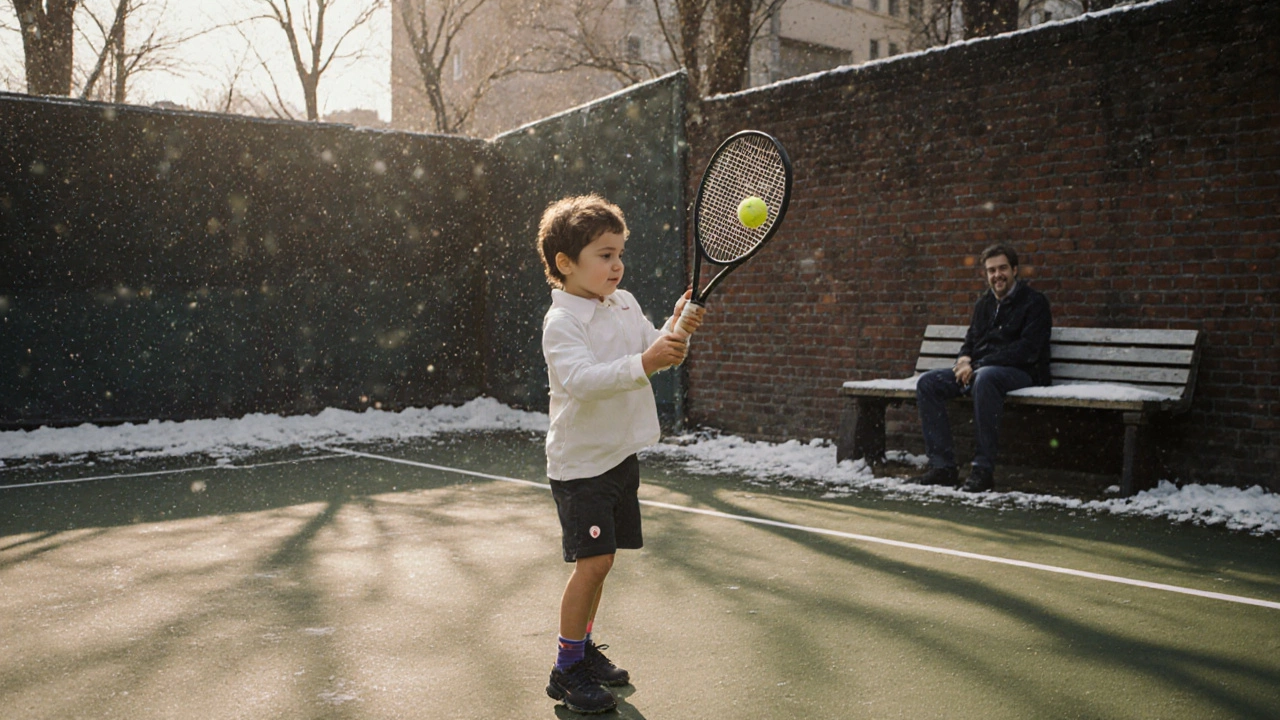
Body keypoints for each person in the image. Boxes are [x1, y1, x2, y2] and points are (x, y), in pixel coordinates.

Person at [536, 194, 703, 714]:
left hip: (618, 457)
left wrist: (677, 327)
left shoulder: (624, 302)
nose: (617, 264)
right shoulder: (562, 322)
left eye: (619, 253)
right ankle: (565, 671)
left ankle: (582, 649)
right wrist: (647, 360)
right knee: (593, 564)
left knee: (601, 565)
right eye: (604, 255)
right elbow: (583, 382)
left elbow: (655, 350)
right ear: (566, 264)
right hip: (580, 465)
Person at [915, 244, 1052, 493]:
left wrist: (978, 365)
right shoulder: (985, 304)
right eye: (991, 270)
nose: (997, 275)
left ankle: (982, 470)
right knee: (928, 383)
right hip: (982, 370)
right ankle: (943, 466)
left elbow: (1027, 350)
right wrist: (964, 361)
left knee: (986, 379)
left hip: (1023, 373)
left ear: (1015, 270)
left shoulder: (1034, 302)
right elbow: (970, 340)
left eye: (1002, 268)